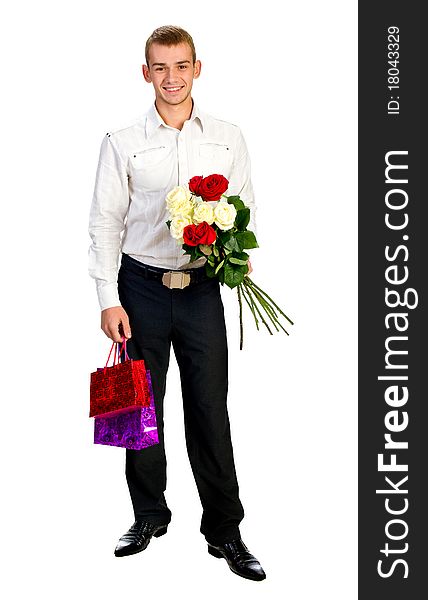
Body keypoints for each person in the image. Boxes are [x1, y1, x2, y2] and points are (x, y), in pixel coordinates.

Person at [88, 25, 265, 582]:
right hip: (139, 290)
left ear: (197, 68)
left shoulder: (229, 137)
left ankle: (225, 531)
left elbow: (243, 208)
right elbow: (104, 223)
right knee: (138, 410)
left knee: (210, 409)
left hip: (201, 290)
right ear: (146, 73)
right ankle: (148, 516)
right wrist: (107, 299)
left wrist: (237, 255)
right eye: (160, 68)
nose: (171, 78)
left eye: (181, 66)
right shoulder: (121, 141)